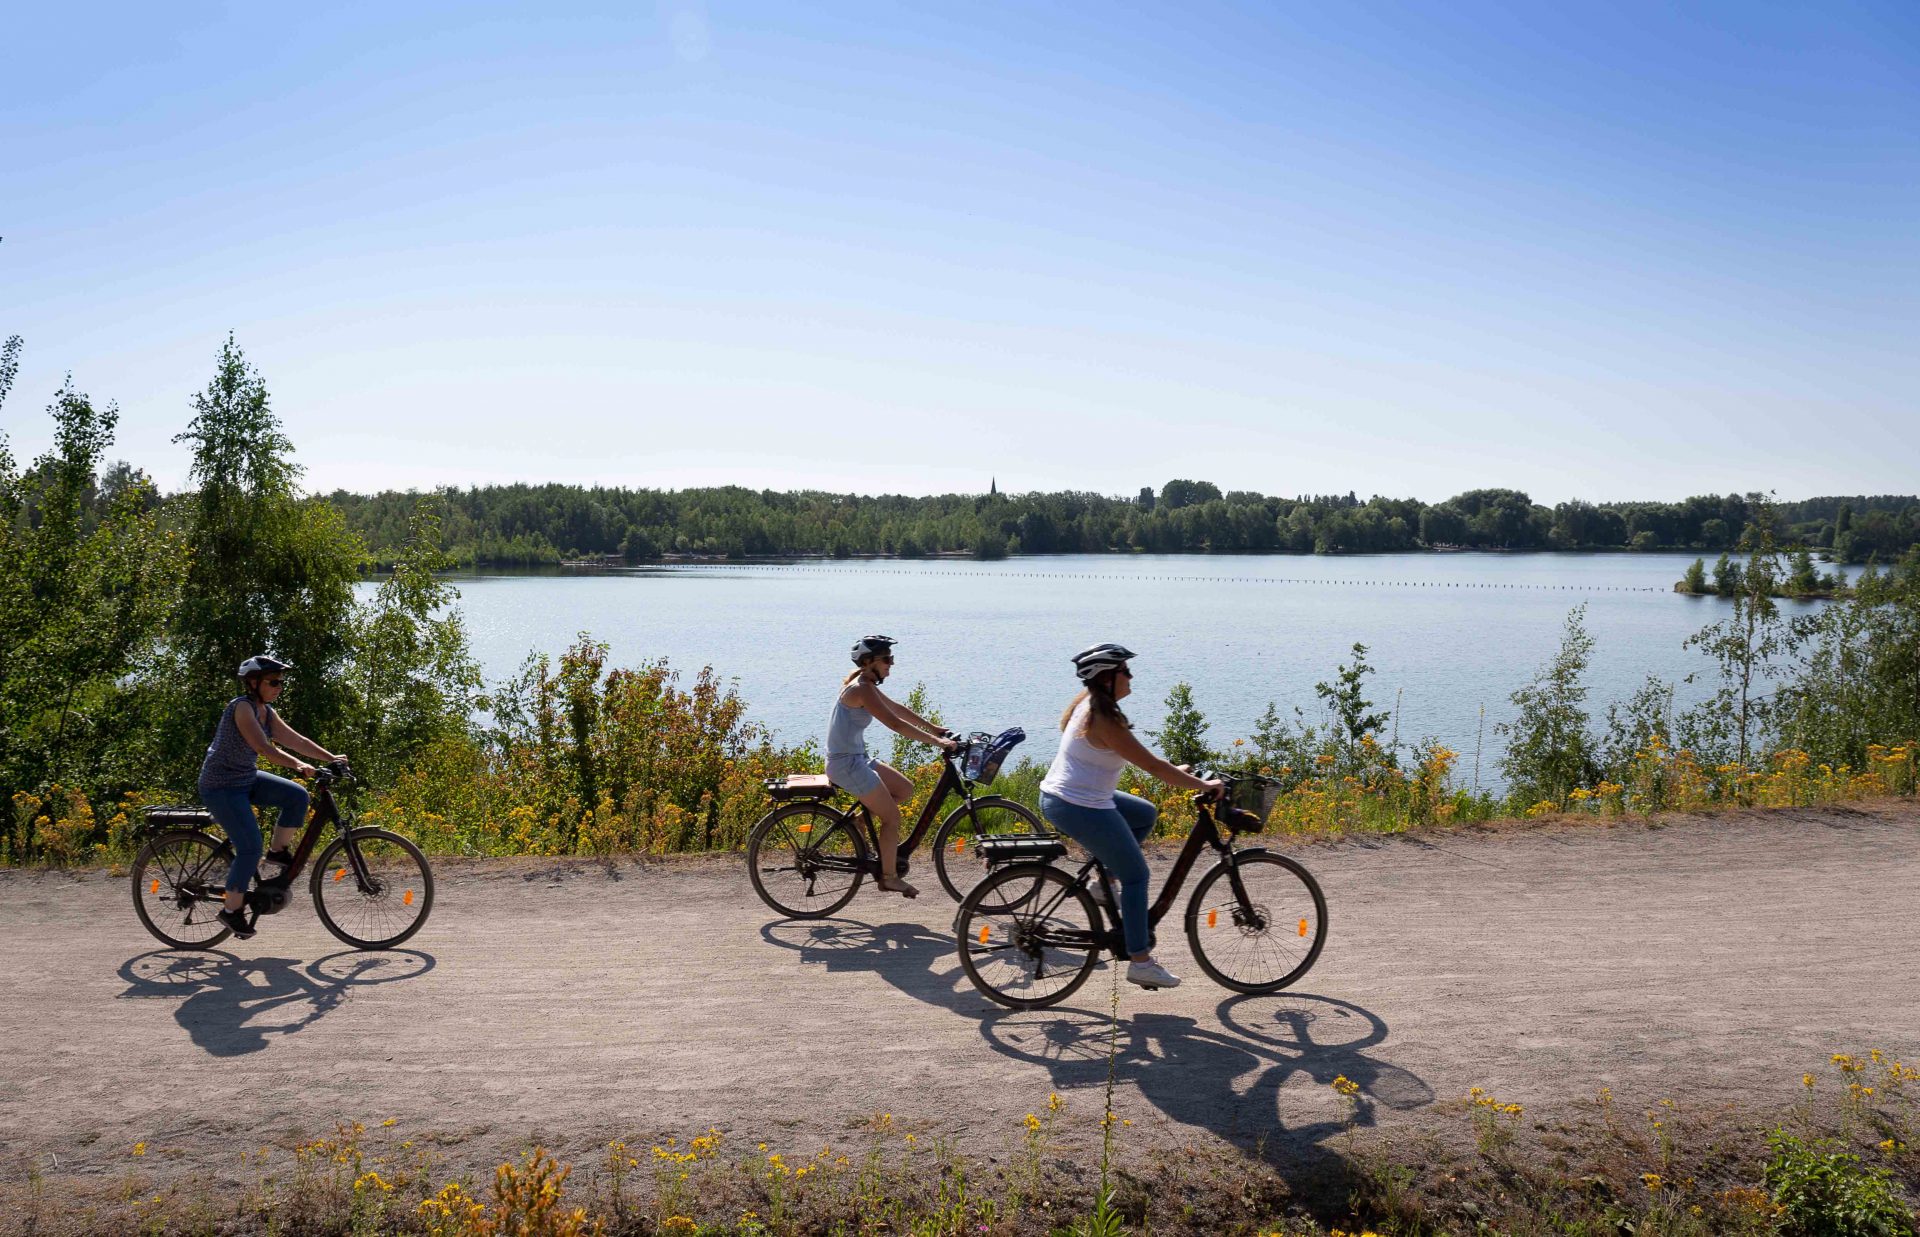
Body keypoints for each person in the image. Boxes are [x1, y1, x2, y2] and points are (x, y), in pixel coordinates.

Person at [1038, 643, 1222, 990]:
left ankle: (1102, 885)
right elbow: (1151, 765)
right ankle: (1140, 961)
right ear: (1107, 678)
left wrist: (1178, 774)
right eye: (1124, 670)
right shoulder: (1103, 718)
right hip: (1079, 805)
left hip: (1068, 796)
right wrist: (1201, 784)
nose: (1131, 675)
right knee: (1137, 876)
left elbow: (1148, 763)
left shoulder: (1091, 703)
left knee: (1144, 813)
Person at [198, 655, 347, 939]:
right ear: (253, 683)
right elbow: (265, 748)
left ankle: (278, 853)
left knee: (296, 796)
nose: (280, 686)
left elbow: (297, 740)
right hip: (221, 786)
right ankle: (231, 911)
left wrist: (331, 758)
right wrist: (299, 765)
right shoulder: (242, 709)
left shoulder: (265, 710)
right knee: (250, 847)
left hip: (245, 778)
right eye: (274, 681)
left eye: (282, 682)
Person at [826, 635, 957, 898]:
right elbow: (894, 724)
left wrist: (934, 728)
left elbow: (897, 708)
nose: (891, 664)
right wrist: (936, 742)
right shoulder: (860, 689)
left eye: (891, 658)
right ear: (868, 662)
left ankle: (858, 823)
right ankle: (889, 878)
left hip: (856, 758)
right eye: (887, 659)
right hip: (846, 764)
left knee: (904, 789)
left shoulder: (865, 684)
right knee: (892, 818)